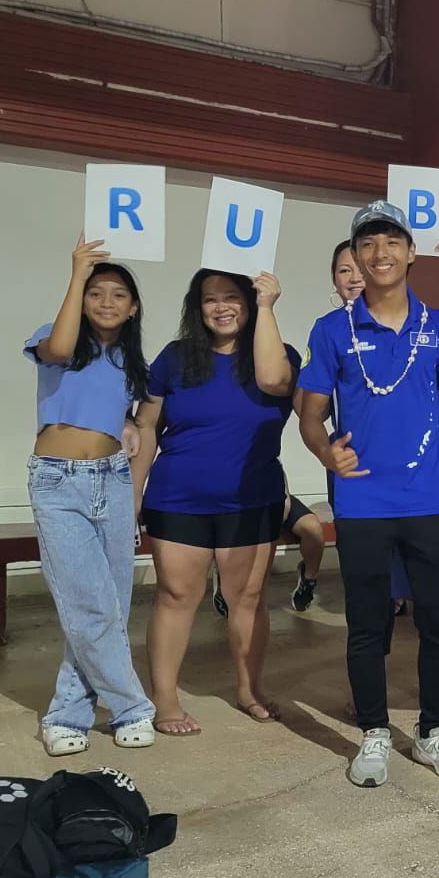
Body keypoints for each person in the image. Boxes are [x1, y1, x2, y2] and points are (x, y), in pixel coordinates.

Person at [296, 201, 439, 787]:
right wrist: (327, 453)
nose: (380, 254)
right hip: (363, 504)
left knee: (438, 624)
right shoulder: (331, 330)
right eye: (367, 245)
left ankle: (430, 732)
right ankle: (373, 732)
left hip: (429, 502)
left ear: (410, 252)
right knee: (367, 624)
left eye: (391, 242)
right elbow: (310, 416)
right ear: (355, 257)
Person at [133, 269, 300, 735]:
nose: (221, 307)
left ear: (249, 303)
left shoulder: (278, 358)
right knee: (177, 596)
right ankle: (165, 700)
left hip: (252, 499)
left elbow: (278, 384)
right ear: (196, 306)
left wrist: (268, 304)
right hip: (178, 498)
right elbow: (146, 428)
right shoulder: (175, 358)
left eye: (232, 297)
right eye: (210, 299)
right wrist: (133, 495)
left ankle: (249, 689)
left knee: (246, 598)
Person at [24, 237, 157, 755]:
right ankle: (130, 706)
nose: (106, 302)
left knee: (107, 606)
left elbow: (128, 409)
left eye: (117, 294)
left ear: (134, 308)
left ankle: (70, 715)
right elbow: (58, 350)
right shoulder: (54, 340)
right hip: (58, 481)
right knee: (87, 604)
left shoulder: (129, 358)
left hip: (113, 480)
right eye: (96, 293)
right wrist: (77, 272)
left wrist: (129, 423)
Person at [212, 488, 324, 616]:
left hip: (273, 499)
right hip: (234, 502)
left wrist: (273, 521)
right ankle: (224, 574)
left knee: (313, 529)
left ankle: (308, 578)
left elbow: (283, 504)